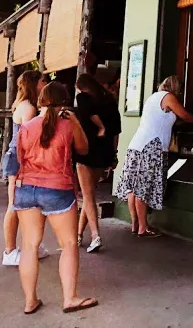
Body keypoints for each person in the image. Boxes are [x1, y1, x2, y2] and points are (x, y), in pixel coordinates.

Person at [14, 82, 98, 315]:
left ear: (40, 101)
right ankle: (69, 298)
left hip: (26, 188)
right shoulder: (67, 126)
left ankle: (30, 301)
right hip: (57, 189)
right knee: (69, 244)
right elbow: (83, 149)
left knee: (29, 246)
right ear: (64, 102)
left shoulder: (26, 127)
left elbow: (19, 158)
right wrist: (75, 121)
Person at [114, 76, 193, 237]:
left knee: (134, 187)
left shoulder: (153, 98)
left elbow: (164, 120)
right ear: (175, 87)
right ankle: (143, 228)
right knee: (143, 188)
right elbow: (185, 115)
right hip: (151, 146)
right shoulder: (168, 97)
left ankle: (135, 224)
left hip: (137, 145)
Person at [2, 70, 50, 267]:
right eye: (42, 81)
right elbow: (29, 140)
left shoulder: (24, 105)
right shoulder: (29, 108)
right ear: (34, 84)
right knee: (14, 205)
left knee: (24, 205)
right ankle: (10, 251)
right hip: (20, 159)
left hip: (19, 158)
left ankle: (27, 246)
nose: (45, 84)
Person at [74, 73, 121, 253]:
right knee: (89, 194)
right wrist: (113, 154)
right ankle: (78, 235)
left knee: (87, 196)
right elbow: (116, 132)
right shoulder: (110, 101)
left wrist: (100, 126)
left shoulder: (83, 98)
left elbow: (88, 112)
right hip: (105, 151)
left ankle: (95, 235)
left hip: (87, 150)